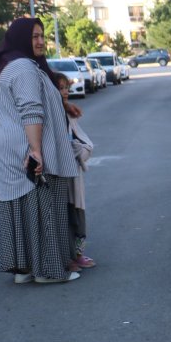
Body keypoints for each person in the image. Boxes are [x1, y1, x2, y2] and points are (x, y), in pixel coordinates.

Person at [0, 18, 82, 284]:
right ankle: (48, 271)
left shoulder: (9, 67)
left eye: (42, 35)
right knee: (41, 205)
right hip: (25, 145)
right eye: (34, 37)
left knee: (20, 207)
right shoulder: (24, 68)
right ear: (20, 40)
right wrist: (36, 151)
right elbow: (31, 110)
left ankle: (26, 268)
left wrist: (65, 107)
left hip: (9, 144)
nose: (40, 41)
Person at [54, 75, 96, 271]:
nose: (65, 91)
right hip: (58, 173)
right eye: (61, 88)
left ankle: (78, 254)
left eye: (66, 88)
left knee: (77, 213)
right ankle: (66, 255)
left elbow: (83, 142)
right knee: (63, 213)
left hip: (74, 173)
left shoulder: (69, 114)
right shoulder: (52, 115)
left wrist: (80, 149)